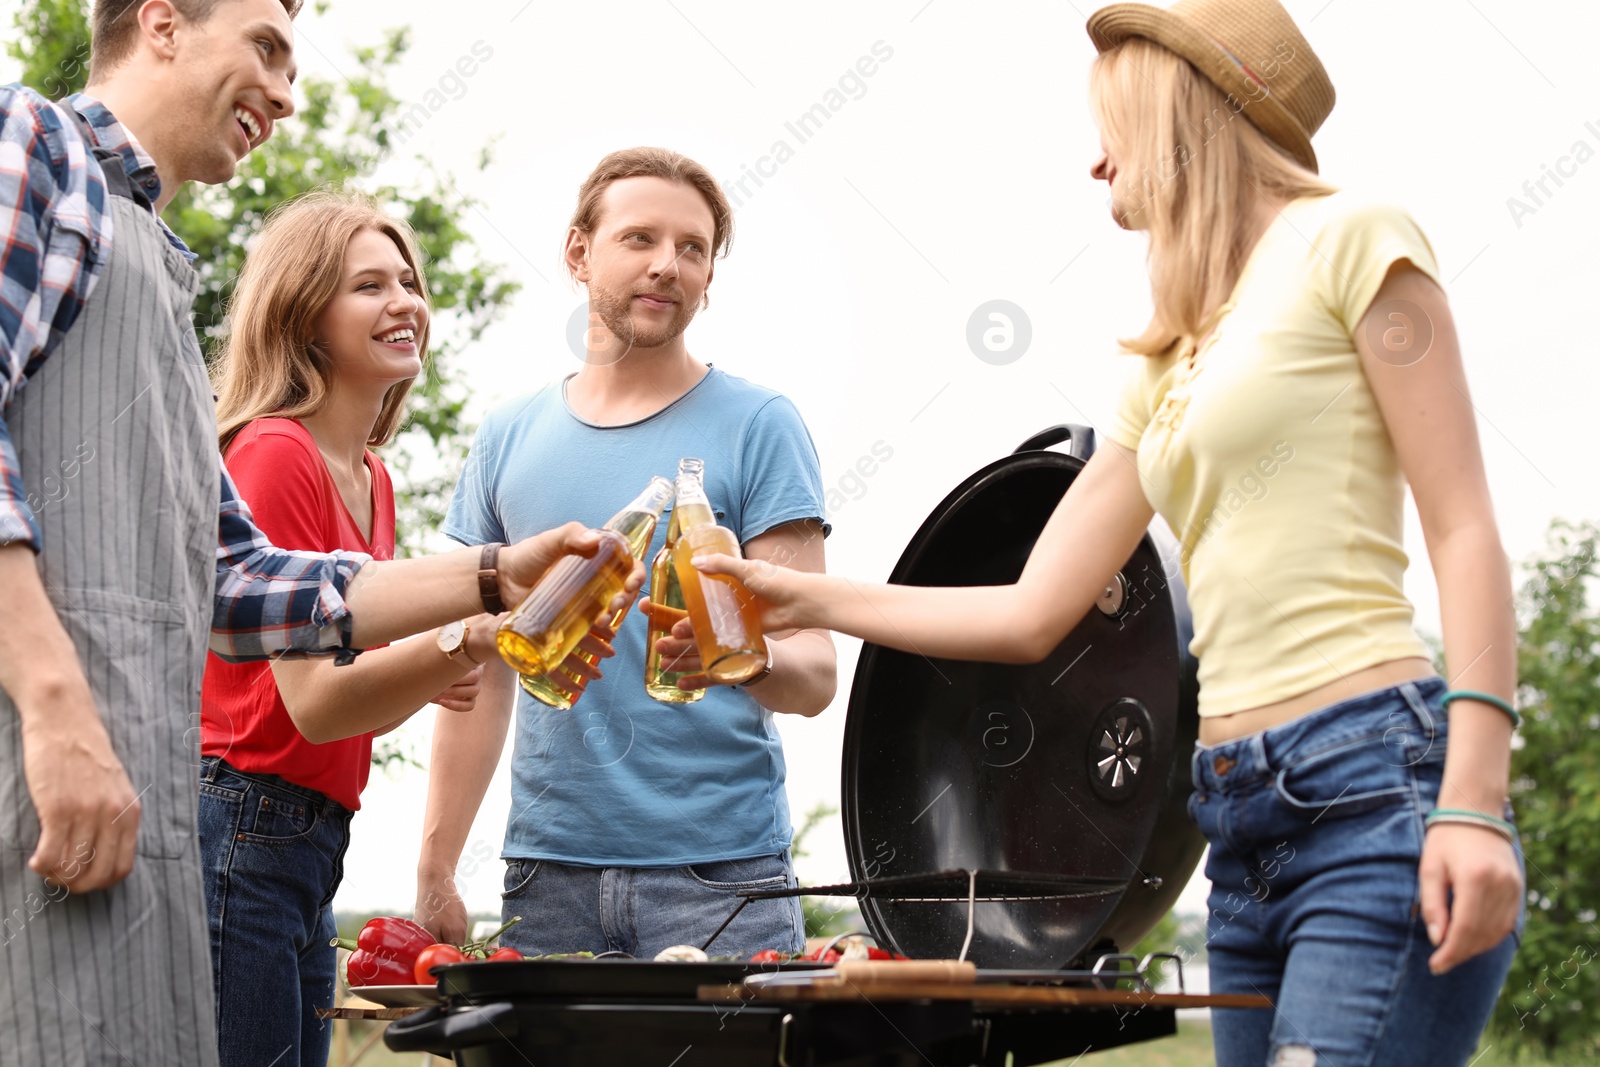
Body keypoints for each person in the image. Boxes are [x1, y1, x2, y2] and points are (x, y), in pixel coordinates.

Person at [695, 1, 1524, 1063]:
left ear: (1180, 114)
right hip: (1237, 823)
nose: (1096, 163)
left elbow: (1462, 530)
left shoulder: (1354, 238)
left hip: (1368, 786)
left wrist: (1472, 801)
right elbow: (1031, 610)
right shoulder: (1165, 353)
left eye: (1112, 127)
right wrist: (799, 597)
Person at [0, 4, 632, 1064]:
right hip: (55, 767)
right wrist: (59, 709)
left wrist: (491, 577)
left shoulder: (155, 264)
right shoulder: (35, 146)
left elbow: (241, 580)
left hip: (133, 808)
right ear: (161, 22)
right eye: (266, 47)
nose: (288, 93)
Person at [198, 191, 612, 1067]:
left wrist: (456, 651)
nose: (404, 303)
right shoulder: (276, 454)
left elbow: (353, 712)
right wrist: (462, 641)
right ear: (304, 313)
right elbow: (312, 707)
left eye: (408, 282)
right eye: (368, 286)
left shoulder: (373, 478)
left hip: (305, 837)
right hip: (242, 823)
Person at [413, 147, 837, 960]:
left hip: (723, 881)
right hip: (547, 877)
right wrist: (436, 865)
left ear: (710, 276)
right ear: (579, 252)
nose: (667, 266)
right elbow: (480, 672)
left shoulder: (761, 426)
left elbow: (815, 672)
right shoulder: (507, 437)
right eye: (640, 238)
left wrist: (737, 658)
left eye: (693, 249)